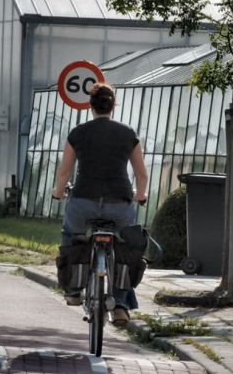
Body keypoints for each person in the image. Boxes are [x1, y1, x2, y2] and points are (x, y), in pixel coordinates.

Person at [51, 82, 148, 327]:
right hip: (120, 204)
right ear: (114, 106)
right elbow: (141, 174)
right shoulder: (128, 134)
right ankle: (122, 307)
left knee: (71, 235)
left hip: (83, 201)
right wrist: (142, 195)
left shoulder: (78, 133)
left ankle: (73, 289)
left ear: (90, 106)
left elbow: (64, 173)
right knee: (125, 248)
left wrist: (58, 192)